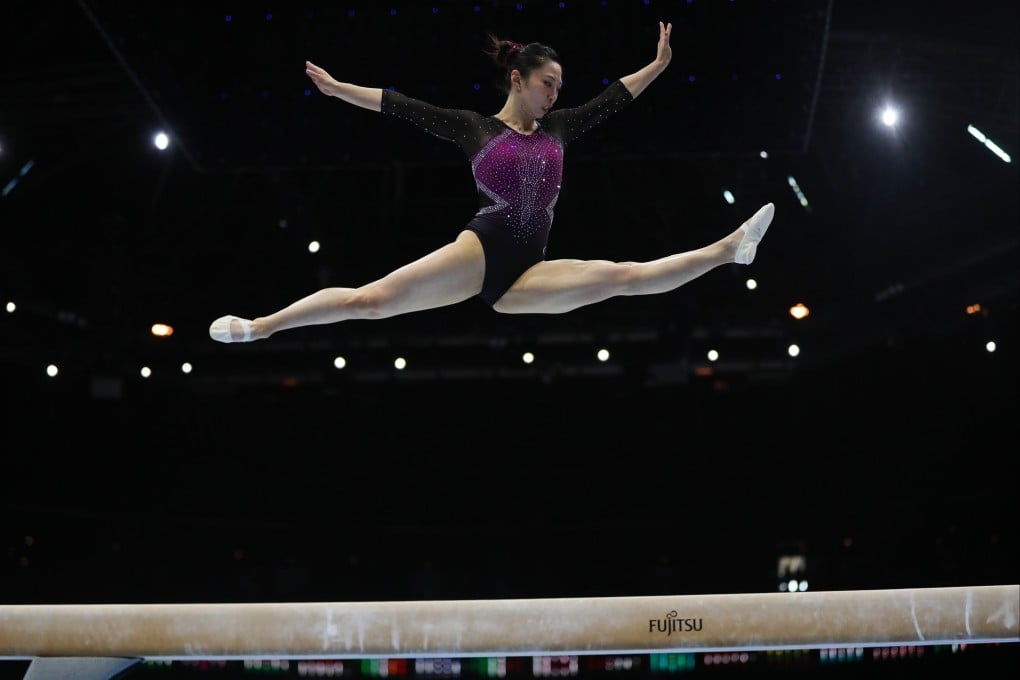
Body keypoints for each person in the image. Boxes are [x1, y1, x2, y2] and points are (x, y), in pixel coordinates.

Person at [210, 22, 774, 343]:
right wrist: (340, 90)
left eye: (558, 87)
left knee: (622, 278)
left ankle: (729, 251)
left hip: (526, 270)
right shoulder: (473, 128)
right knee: (370, 301)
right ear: (518, 79)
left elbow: (612, 100)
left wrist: (657, 65)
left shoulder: (559, 126)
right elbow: (402, 106)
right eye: (547, 84)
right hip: (483, 249)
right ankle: (261, 327)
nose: (555, 95)